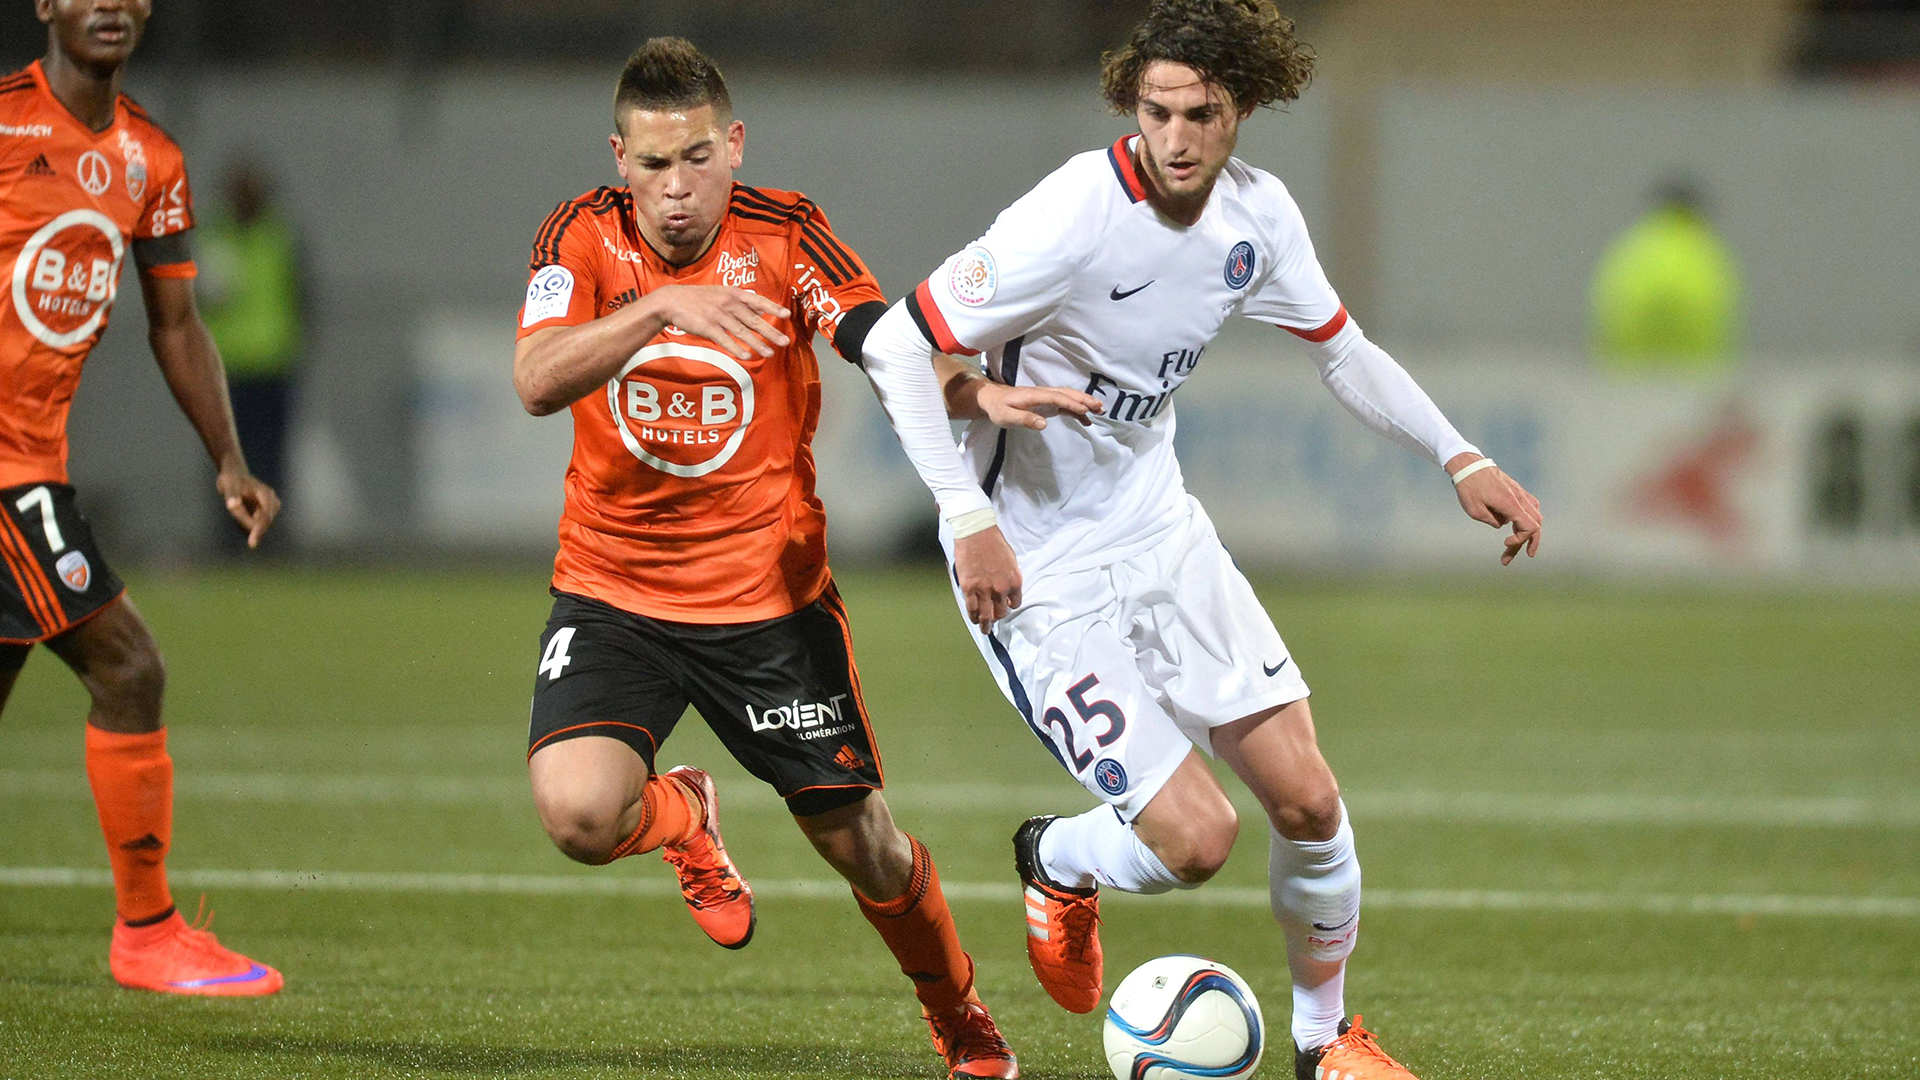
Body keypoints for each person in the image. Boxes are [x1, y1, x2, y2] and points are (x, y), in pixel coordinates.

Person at [851, 2, 1544, 1078]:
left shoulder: (1258, 218)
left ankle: (1327, 1043)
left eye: (1200, 114)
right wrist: (970, 515)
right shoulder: (1075, 214)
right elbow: (896, 347)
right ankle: (1059, 856)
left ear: (1243, 111)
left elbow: (1344, 352)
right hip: (1038, 564)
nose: (1173, 136)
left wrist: (1459, 456)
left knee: (1310, 800)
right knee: (1198, 842)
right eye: (1154, 110)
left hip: (1161, 530)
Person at [510, 38, 1018, 1080]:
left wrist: (963, 393)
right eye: (651, 165)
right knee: (577, 815)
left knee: (863, 848)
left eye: (696, 156)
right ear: (619, 161)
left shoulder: (786, 234)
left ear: (734, 145)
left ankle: (960, 1011)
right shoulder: (581, 237)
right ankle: (683, 811)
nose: (677, 188)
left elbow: (879, 340)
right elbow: (534, 377)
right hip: (614, 594)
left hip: (766, 607)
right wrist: (656, 310)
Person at [1, 0, 282, 994]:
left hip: (34, 461)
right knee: (130, 670)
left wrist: (228, 460)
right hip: (5, 477)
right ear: (46, 5)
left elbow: (175, 324)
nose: (112, 5)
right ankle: (147, 932)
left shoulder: (150, 159)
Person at [197, 158, 306, 552]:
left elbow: (302, 297)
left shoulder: (280, 236)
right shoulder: (214, 237)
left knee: (271, 457)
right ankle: (231, 540)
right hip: (224, 368)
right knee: (227, 459)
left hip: (273, 364)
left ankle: (270, 540)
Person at [1589, 178, 1741, 372]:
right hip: (1694, 381)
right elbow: (1725, 319)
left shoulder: (1631, 249)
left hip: (1629, 380)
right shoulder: (1710, 255)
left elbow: (1608, 306)